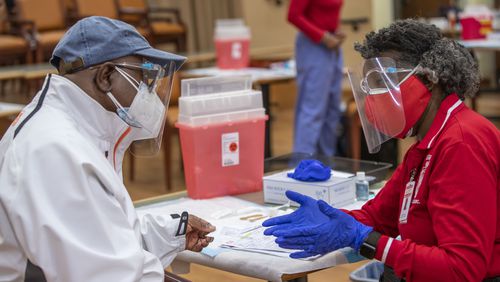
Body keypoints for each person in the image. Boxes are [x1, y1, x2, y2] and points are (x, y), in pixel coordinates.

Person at [263, 19, 500, 281]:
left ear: (429, 79)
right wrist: (328, 218)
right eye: (369, 85)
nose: (374, 96)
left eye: (382, 81)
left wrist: (367, 240)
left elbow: (462, 269)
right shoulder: (425, 144)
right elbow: (377, 216)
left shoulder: (462, 143)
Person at [0, 16, 215, 281]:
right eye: (144, 79)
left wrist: (171, 232)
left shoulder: (76, 130)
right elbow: (106, 272)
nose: (149, 94)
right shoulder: (55, 149)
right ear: (105, 76)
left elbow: (100, 235)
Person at [288, 0, 345, 157]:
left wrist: (335, 31)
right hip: (313, 45)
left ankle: (327, 162)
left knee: (333, 109)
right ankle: (302, 163)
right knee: (313, 109)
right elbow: (293, 15)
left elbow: (325, 13)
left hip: (332, 46)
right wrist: (322, 36)